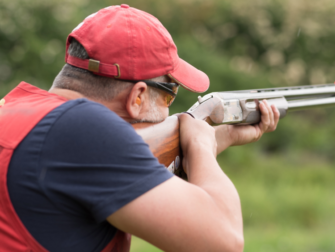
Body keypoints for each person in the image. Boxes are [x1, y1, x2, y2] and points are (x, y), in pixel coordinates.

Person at [0, 4, 280, 252]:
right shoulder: (87, 131)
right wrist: (200, 146)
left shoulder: (14, 109)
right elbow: (225, 242)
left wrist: (221, 137)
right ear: (138, 97)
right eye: (170, 94)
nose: (171, 107)